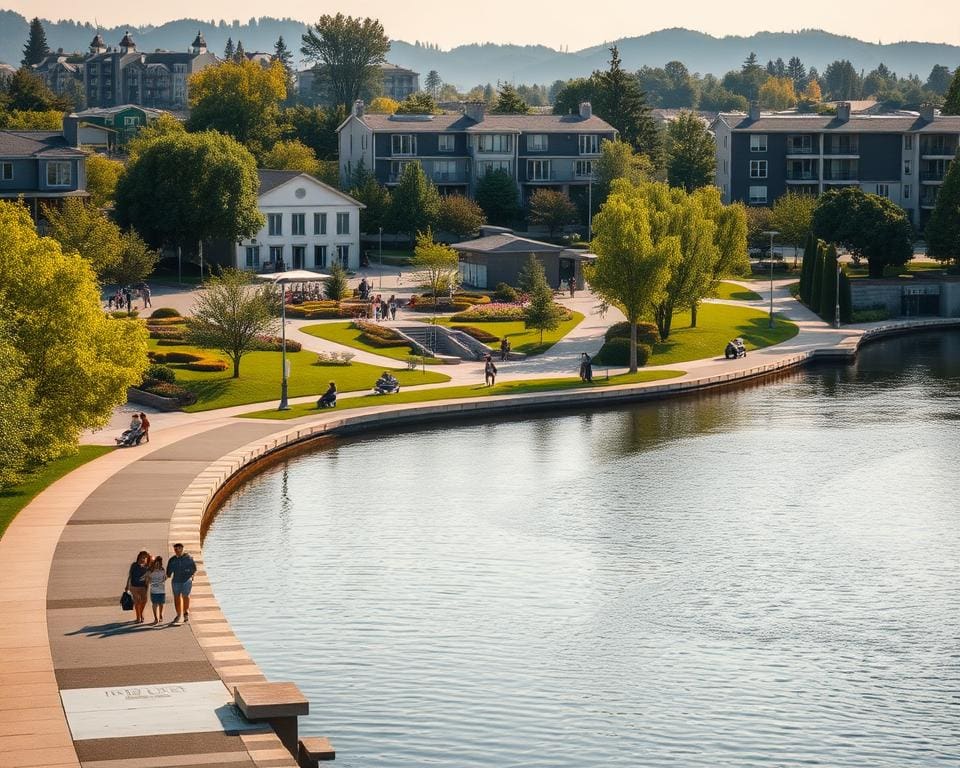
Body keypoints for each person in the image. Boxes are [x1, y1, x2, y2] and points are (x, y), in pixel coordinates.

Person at [166, 543, 196, 624]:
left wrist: (191, 575)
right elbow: (168, 573)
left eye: (178, 549)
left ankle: (185, 612)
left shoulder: (188, 558)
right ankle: (179, 614)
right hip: (176, 581)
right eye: (175, 549)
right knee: (176, 597)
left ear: (182, 549)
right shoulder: (172, 560)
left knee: (186, 596)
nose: (177, 551)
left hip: (186, 580)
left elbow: (194, 568)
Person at [125, 550, 151, 624]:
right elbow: (130, 576)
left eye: (145, 558)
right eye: (142, 557)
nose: (143, 559)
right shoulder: (134, 565)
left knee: (144, 601)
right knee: (137, 602)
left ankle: (141, 613)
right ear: (139, 557)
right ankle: (138, 617)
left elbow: (149, 576)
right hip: (134, 586)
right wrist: (127, 585)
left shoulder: (147, 567)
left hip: (143, 587)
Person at [148, 556, 167, 625]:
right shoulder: (151, 571)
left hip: (162, 590)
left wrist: (163, 581)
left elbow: (165, 578)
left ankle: (161, 615)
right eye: (156, 564)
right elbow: (149, 580)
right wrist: (150, 581)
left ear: (160, 564)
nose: (157, 565)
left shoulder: (163, 570)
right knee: (154, 604)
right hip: (154, 591)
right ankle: (156, 618)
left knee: (161, 604)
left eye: (158, 564)